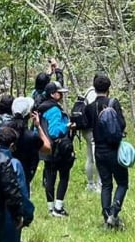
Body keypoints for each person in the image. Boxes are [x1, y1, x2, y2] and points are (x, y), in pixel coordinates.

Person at [79, 73, 129, 228]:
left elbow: (85, 125)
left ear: (94, 88)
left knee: (106, 184)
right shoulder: (113, 103)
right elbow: (122, 124)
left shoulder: (89, 107)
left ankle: (106, 215)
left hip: (99, 151)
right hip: (114, 149)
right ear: (109, 88)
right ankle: (114, 213)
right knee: (122, 183)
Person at [35, 79, 76, 217]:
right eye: (59, 93)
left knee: (49, 176)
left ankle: (50, 207)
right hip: (58, 149)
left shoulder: (41, 108)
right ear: (53, 94)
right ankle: (59, 207)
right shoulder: (54, 110)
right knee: (63, 176)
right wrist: (67, 126)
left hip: (46, 149)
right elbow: (54, 131)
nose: (62, 95)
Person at [9, 96, 49, 187]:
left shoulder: (4, 132)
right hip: (25, 179)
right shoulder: (32, 136)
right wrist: (38, 126)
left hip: (6, 179)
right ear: (29, 114)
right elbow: (47, 149)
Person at [73, 83, 100, 192]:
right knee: (96, 157)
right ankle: (98, 185)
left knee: (89, 157)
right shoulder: (94, 94)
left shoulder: (87, 92)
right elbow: (95, 113)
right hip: (92, 130)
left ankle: (90, 184)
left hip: (85, 129)